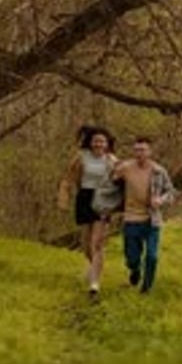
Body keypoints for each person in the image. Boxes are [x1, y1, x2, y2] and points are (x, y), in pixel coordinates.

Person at [57, 125, 117, 298]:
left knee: (97, 243)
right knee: (85, 244)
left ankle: (94, 284)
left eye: (102, 141)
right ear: (90, 142)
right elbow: (68, 178)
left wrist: (117, 203)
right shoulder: (81, 157)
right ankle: (94, 267)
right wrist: (63, 200)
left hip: (103, 199)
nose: (99, 144)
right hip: (84, 197)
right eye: (96, 141)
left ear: (107, 144)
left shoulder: (111, 160)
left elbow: (119, 182)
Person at [113, 136, 175, 294]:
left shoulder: (158, 171)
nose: (139, 153)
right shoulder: (125, 167)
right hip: (131, 218)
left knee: (152, 256)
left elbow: (171, 192)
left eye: (143, 150)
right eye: (136, 150)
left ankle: (146, 288)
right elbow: (108, 179)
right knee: (131, 257)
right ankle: (135, 270)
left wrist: (160, 200)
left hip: (152, 220)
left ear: (150, 151)